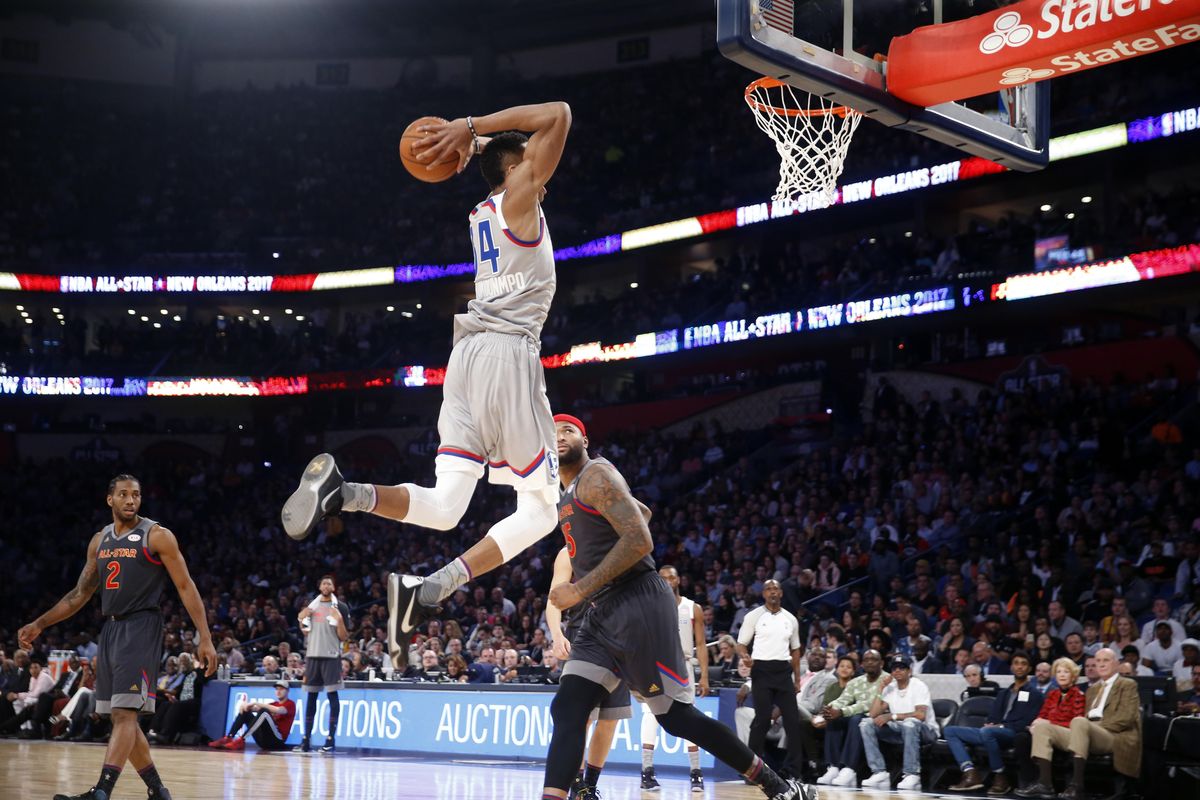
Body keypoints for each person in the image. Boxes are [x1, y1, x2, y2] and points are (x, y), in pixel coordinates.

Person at [280, 101, 574, 670]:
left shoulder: (485, 207)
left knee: (444, 508)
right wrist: (470, 129)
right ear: (517, 169)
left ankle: (347, 496)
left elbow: (519, 147)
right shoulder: (520, 195)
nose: (543, 166)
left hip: (464, 360)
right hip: (509, 356)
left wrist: (480, 146)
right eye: (530, 160)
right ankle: (434, 587)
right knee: (541, 511)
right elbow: (558, 114)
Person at [539, 416, 808, 800]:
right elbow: (642, 513)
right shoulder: (567, 493)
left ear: (585, 438)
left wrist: (579, 588)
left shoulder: (596, 474)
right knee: (567, 708)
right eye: (552, 432)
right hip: (602, 614)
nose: (559, 435)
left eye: (567, 430)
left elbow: (639, 539)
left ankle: (775, 785)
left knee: (676, 718)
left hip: (638, 601)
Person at [17, 473, 217, 800]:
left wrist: (204, 637)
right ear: (109, 499)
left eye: (136, 495)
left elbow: (185, 586)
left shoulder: (157, 536)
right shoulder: (100, 540)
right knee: (119, 717)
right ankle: (157, 790)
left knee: (125, 715)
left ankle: (101, 792)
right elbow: (79, 595)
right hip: (110, 629)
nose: (130, 500)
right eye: (123, 495)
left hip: (142, 626)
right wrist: (40, 623)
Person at [545, 546, 630, 800]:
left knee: (610, 719)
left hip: (618, 638)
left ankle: (590, 787)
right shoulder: (567, 552)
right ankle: (577, 786)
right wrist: (557, 635)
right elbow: (553, 600)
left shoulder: (619, 543)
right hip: (581, 639)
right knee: (579, 719)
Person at [1017, 648, 1141, 800]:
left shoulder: (1127, 684)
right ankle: (1045, 784)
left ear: (1116, 663)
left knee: (1079, 721)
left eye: (1106, 660)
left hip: (1112, 734)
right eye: (1098, 661)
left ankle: (1077, 786)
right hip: (1085, 730)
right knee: (1043, 727)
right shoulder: (1092, 689)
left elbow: (1126, 718)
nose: (1101, 664)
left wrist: (1094, 727)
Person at [640, 565, 710, 791]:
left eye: (672, 577)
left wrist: (705, 676)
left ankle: (696, 773)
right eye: (663, 578)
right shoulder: (649, 606)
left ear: (679, 580)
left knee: (689, 715)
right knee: (650, 716)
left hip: (684, 665)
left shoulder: (693, 608)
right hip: (656, 666)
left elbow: (701, 644)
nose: (668, 581)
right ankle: (647, 772)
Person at [946, 651, 1044, 795]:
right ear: (1011, 667)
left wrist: (1000, 726)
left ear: (1029, 669)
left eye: (1023, 664)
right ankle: (970, 772)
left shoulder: (1035, 694)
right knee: (950, 731)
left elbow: (1027, 722)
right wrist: (991, 724)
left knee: (987, 732)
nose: (1019, 667)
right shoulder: (1003, 693)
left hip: (1013, 734)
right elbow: (992, 716)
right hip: (992, 733)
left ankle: (1000, 776)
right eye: (1016, 663)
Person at [738, 579, 806, 784]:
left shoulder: (790, 619)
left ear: (781, 593)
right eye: (769, 589)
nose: (773, 592)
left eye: (776, 588)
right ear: (764, 594)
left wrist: (797, 678)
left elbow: (795, 650)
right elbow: (741, 644)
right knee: (762, 720)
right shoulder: (754, 616)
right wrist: (745, 657)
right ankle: (752, 770)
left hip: (783, 672)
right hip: (761, 671)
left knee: (793, 722)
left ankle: (793, 771)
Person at [1014, 657, 1086, 790]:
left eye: (1066, 672)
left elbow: (1077, 722)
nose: (1062, 675)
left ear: (1073, 675)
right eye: (1059, 672)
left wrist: (1047, 724)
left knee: (1042, 729)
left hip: (1069, 735)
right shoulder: (1053, 694)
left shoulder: (1078, 695)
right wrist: (1035, 725)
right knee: (1022, 737)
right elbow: (1042, 715)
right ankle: (1029, 781)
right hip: (1048, 731)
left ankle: (1045, 783)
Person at [817, 649, 886, 787]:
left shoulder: (887, 680)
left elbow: (868, 705)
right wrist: (829, 709)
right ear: (862, 664)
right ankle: (834, 767)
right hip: (858, 716)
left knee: (856, 719)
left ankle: (849, 769)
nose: (870, 662)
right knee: (834, 719)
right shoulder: (856, 682)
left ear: (882, 663)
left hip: (880, 719)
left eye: (874, 659)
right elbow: (843, 699)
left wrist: (841, 711)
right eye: (867, 660)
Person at [294, 575, 348, 753]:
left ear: (334, 587)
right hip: (312, 656)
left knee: (333, 697)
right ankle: (306, 740)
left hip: (331, 656)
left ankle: (330, 739)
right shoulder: (312, 606)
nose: (326, 585)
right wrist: (302, 617)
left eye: (329, 583)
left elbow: (344, 637)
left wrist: (339, 620)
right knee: (311, 698)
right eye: (323, 582)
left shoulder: (340, 607)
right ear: (319, 587)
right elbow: (304, 629)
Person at [207, 681, 296, 752]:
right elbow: (255, 708)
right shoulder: (273, 704)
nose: (278, 691)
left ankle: (242, 739)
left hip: (277, 741)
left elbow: (280, 710)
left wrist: (255, 703)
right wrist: (245, 706)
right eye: (277, 689)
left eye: (281, 689)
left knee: (264, 712)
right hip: (263, 741)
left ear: (288, 691)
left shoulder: (290, 704)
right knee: (247, 711)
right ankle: (229, 737)